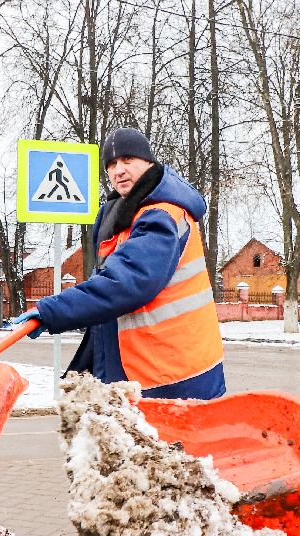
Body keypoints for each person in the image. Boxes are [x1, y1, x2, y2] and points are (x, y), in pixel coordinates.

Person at [13, 127, 226, 400]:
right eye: (111, 164)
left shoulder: (162, 214)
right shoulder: (122, 217)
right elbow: (108, 298)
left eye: (127, 160)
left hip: (174, 372)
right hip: (145, 365)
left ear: (148, 163)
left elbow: (124, 285)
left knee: (169, 444)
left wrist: (54, 311)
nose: (118, 171)